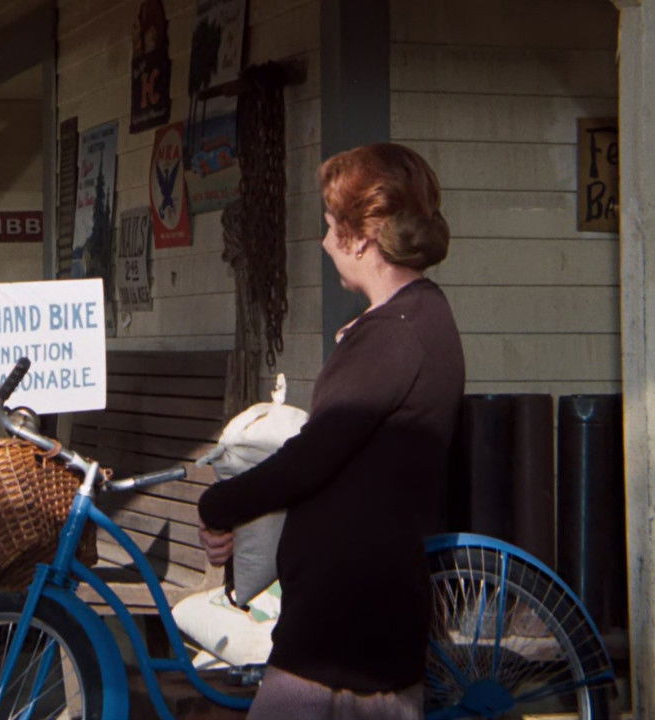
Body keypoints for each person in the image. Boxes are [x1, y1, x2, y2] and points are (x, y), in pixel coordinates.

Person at [196, 143, 464, 719]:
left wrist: (219, 504)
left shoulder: (393, 335)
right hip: (362, 613)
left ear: (361, 236)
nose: (323, 242)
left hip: (344, 624)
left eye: (328, 225)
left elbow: (310, 459)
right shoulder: (418, 316)